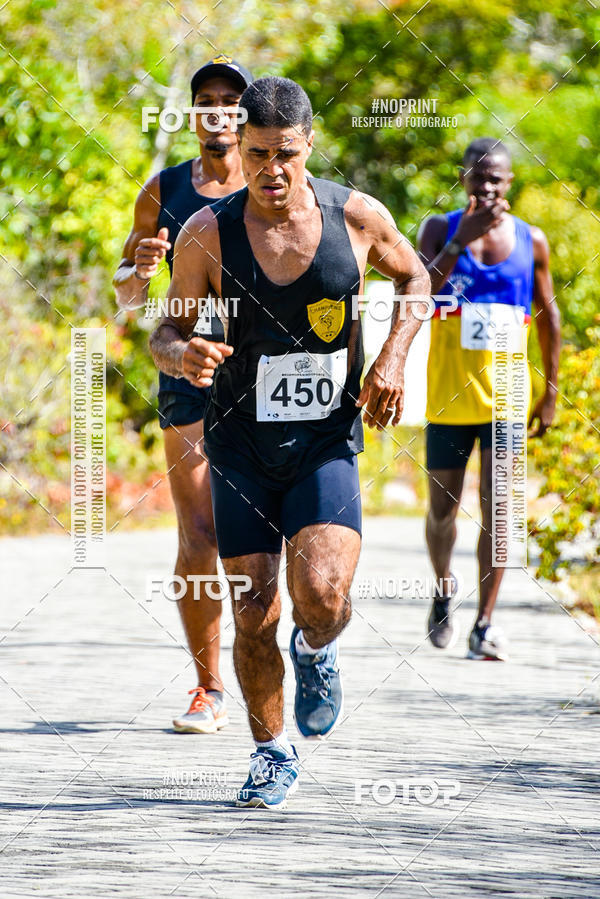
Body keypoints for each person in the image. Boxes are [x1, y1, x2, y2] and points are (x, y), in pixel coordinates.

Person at [150, 75, 430, 807]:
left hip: (325, 439)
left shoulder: (358, 217)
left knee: (324, 594)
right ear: (236, 150)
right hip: (239, 445)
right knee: (253, 609)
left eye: (285, 154)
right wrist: (181, 355)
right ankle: (272, 752)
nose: (271, 171)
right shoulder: (207, 234)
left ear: (309, 146)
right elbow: (166, 329)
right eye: (256, 154)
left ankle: (317, 649)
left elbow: (417, 277)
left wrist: (394, 355)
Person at [113, 56, 254, 733]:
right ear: (194, 113)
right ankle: (209, 687)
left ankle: (281, 650)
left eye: (232, 99)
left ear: (247, 113)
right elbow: (128, 290)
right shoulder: (164, 188)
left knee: (259, 532)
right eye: (208, 100)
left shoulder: (272, 176)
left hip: (259, 373)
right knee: (198, 530)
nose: (219, 110)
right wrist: (137, 269)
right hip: (186, 366)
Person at [418, 137, 560, 660]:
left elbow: (550, 318)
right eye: (478, 178)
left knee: (499, 514)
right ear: (463, 180)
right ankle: (442, 587)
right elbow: (418, 292)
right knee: (442, 512)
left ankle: (484, 622)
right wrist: (460, 243)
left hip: (506, 401)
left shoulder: (531, 240)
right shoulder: (439, 229)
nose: (487, 187)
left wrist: (549, 394)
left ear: (510, 183)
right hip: (447, 400)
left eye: (496, 179)